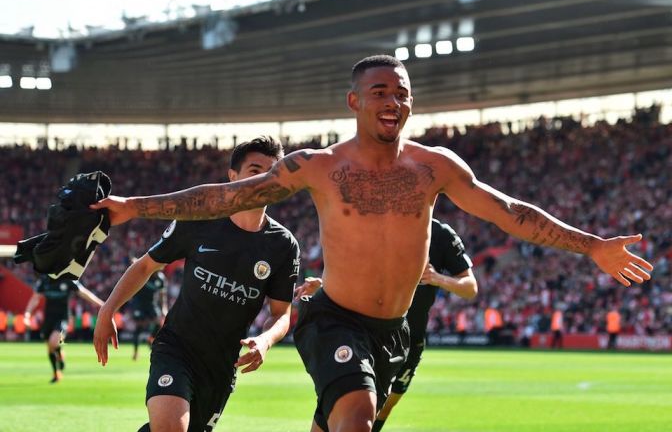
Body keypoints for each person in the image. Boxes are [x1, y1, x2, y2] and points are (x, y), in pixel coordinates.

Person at [92, 55, 653, 432]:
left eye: (402, 93)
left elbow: (509, 213)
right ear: (353, 101)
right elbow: (223, 197)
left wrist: (593, 246)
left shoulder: (435, 168)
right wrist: (132, 209)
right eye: (379, 91)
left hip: (394, 331)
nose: (393, 101)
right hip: (334, 318)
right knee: (357, 420)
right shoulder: (320, 166)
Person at [93, 136, 300, 432]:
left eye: (273, 171)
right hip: (177, 348)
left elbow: (281, 313)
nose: (265, 178)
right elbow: (145, 266)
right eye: (256, 170)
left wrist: (265, 340)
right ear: (233, 177)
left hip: (221, 364)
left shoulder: (283, 246)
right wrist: (107, 310)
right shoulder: (200, 221)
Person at [294, 218, 478, 432]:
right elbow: (360, 277)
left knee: (381, 407)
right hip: (367, 330)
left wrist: (437, 278)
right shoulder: (380, 224)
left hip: (409, 340)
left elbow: (470, 287)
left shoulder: (441, 234)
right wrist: (326, 285)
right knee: (349, 401)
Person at [24, 274, 104, 383]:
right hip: (48, 319)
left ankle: (59, 355)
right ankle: (56, 372)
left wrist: (102, 304)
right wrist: (27, 315)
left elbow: (84, 293)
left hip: (63, 319)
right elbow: (35, 298)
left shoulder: (67, 279)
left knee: (53, 342)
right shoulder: (45, 280)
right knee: (50, 347)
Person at [128, 267, 168, 360]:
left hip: (152, 304)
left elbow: (163, 295)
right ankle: (135, 352)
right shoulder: (145, 273)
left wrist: (164, 309)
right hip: (139, 303)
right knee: (139, 326)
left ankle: (150, 338)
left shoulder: (161, 279)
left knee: (159, 323)